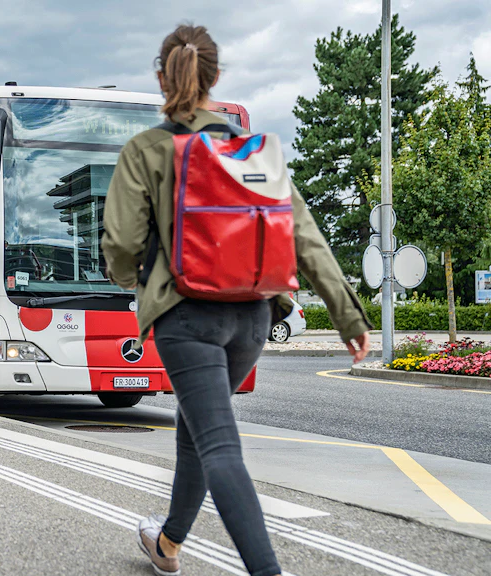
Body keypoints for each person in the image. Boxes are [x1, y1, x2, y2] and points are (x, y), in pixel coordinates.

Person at [102, 24, 371, 576]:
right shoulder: (254, 151)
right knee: (197, 428)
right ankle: (168, 544)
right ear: (216, 78)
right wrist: (347, 316)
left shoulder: (149, 149)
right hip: (252, 316)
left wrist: (136, 281)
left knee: (219, 445)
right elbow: (305, 236)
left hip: (187, 317)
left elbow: (122, 246)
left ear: (161, 77)